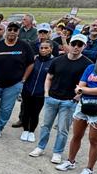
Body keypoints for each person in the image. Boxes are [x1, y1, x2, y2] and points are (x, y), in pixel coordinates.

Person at [29, 34, 93, 163]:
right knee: (45, 125)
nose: (76, 47)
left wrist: (76, 98)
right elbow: (49, 77)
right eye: (74, 44)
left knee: (63, 129)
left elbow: (88, 84)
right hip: (52, 98)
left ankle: (57, 152)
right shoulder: (57, 60)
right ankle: (40, 147)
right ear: (69, 44)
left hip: (69, 101)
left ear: (84, 46)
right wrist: (46, 93)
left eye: (80, 45)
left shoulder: (88, 64)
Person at [55, 63, 97, 174]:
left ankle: (89, 169)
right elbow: (81, 88)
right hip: (83, 104)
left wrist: (84, 90)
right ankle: (70, 161)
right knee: (76, 135)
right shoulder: (91, 67)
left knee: (94, 140)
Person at [19, 41, 53, 142]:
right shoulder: (33, 59)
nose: (43, 50)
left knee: (35, 113)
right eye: (41, 48)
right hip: (27, 90)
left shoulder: (53, 62)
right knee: (26, 111)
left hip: (40, 93)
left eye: (46, 48)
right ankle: (25, 130)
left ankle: (31, 132)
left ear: (51, 49)